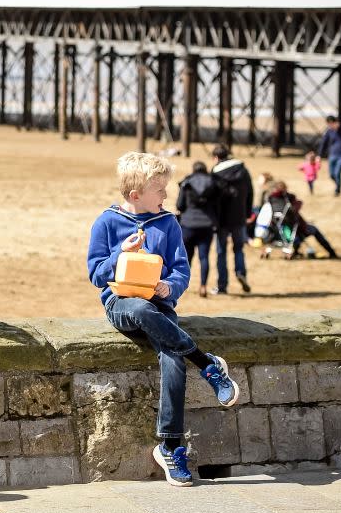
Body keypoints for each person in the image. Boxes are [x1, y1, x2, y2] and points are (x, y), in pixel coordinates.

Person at [87, 152, 240, 487]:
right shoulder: (107, 222)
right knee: (140, 309)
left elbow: (181, 271)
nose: (167, 195)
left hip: (161, 307)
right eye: (159, 189)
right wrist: (120, 255)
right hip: (122, 304)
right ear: (135, 194)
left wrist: (168, 286)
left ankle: (170, 447)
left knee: (172, 361)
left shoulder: (169, 223)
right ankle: (206, 363)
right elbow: (96, 275)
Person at [211, 144, 253, 295]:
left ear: (216, 157)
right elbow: (250, 192)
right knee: (239, 249)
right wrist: (248, 213)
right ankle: (241, 272)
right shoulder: (242, 169)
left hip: (222, 219)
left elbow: (213, 197)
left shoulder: (215, 173)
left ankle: (222, 286)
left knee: (221, 251)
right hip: (239, 216)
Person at [176, 162, 220, 298]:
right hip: (206, 225)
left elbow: (180, 205)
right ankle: (203, 286)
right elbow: (217, 204)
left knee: (187, 257)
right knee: (204, 257)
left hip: (188, 224)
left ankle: (183, 284)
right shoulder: (213, 183)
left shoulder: (187, 183)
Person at [265, 181, 338, 258]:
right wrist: (298, 203)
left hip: (275, 231)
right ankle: (332, 253)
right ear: (285, 189)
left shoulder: (270, 199)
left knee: (295, 230)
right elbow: (293, 214)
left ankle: (296, 251)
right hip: (292, 231)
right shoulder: (289, 199)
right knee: (313, 229)